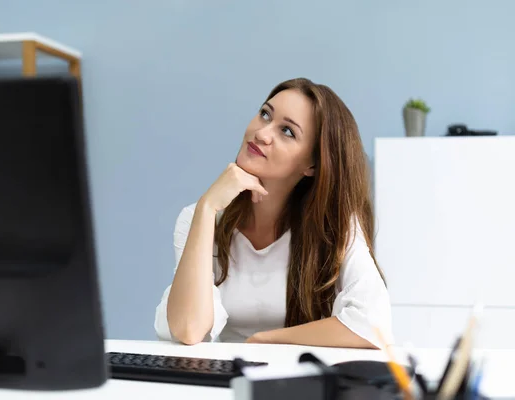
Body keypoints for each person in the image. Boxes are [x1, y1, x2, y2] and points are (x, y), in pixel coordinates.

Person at [154, 77, 392, 349]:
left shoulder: (336, 228)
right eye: (265, 114)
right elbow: (188, 329)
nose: (262, 133)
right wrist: (207, 208)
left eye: (287, 132)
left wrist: (264, 340)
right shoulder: (199, 218)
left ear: (312, 165)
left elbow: (373, 324)